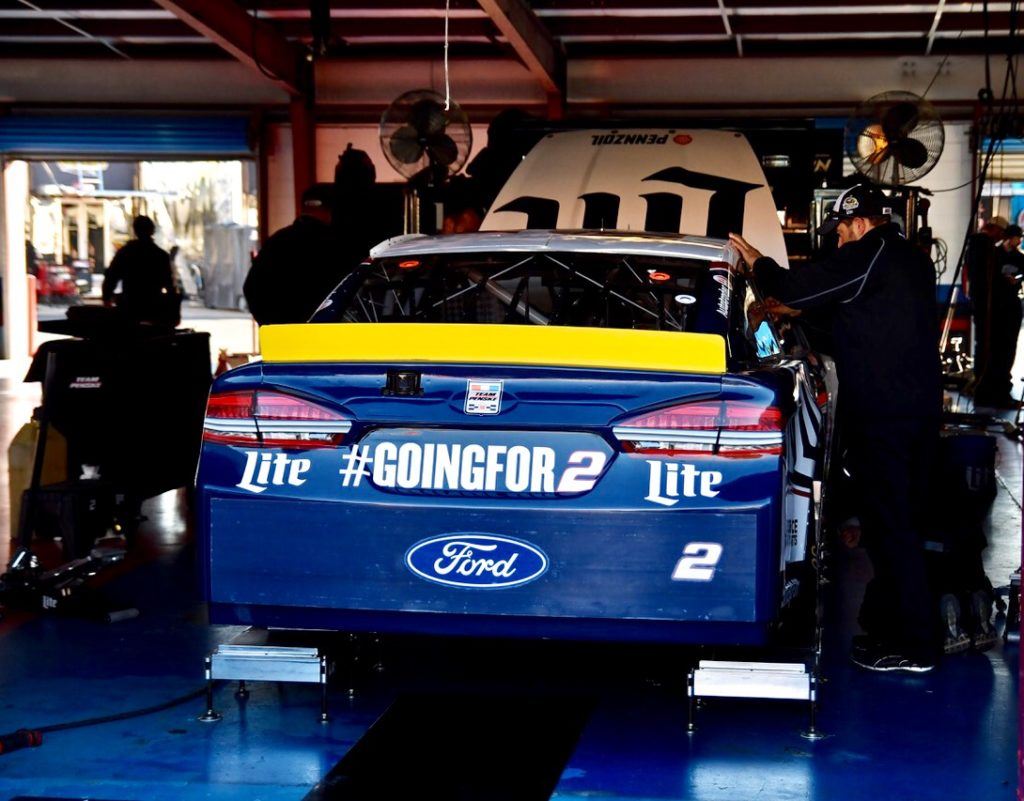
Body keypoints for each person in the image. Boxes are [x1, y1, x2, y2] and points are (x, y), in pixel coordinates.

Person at [729, 183, 943, 673]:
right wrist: (792, 316)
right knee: (896, 526)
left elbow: (802, 287)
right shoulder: (908, 259)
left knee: (894, 529)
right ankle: (894, 633)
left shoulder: (873, 252)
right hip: (912, 413)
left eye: (843, 230)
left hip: (887, 417)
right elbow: (861, 326)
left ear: (861, 222)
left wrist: (761, 266)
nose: (840, 240)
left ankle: (916, 648)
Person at [243, 184, 345, 326]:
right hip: (323, 334)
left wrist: (270, 324)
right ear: (331, 211)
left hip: (282, 335)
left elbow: (251, 288)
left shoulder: (277, 241)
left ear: (301, 209)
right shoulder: (337, 246)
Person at [968, 217, 1024, 407]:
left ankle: (990, 391)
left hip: (997, 310)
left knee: (994, 351)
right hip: (996, 312)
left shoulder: (988, 251)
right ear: (994, 230)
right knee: (998, 352)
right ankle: (992, 392)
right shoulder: (986, 249)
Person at [102, 215, 177, 326]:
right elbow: (169, 285)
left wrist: (107, 297)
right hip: (154, 307)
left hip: (129, 306)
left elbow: (111, 277)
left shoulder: (125, 253)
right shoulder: (161, 256)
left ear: (135, 230)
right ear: (152, 231)